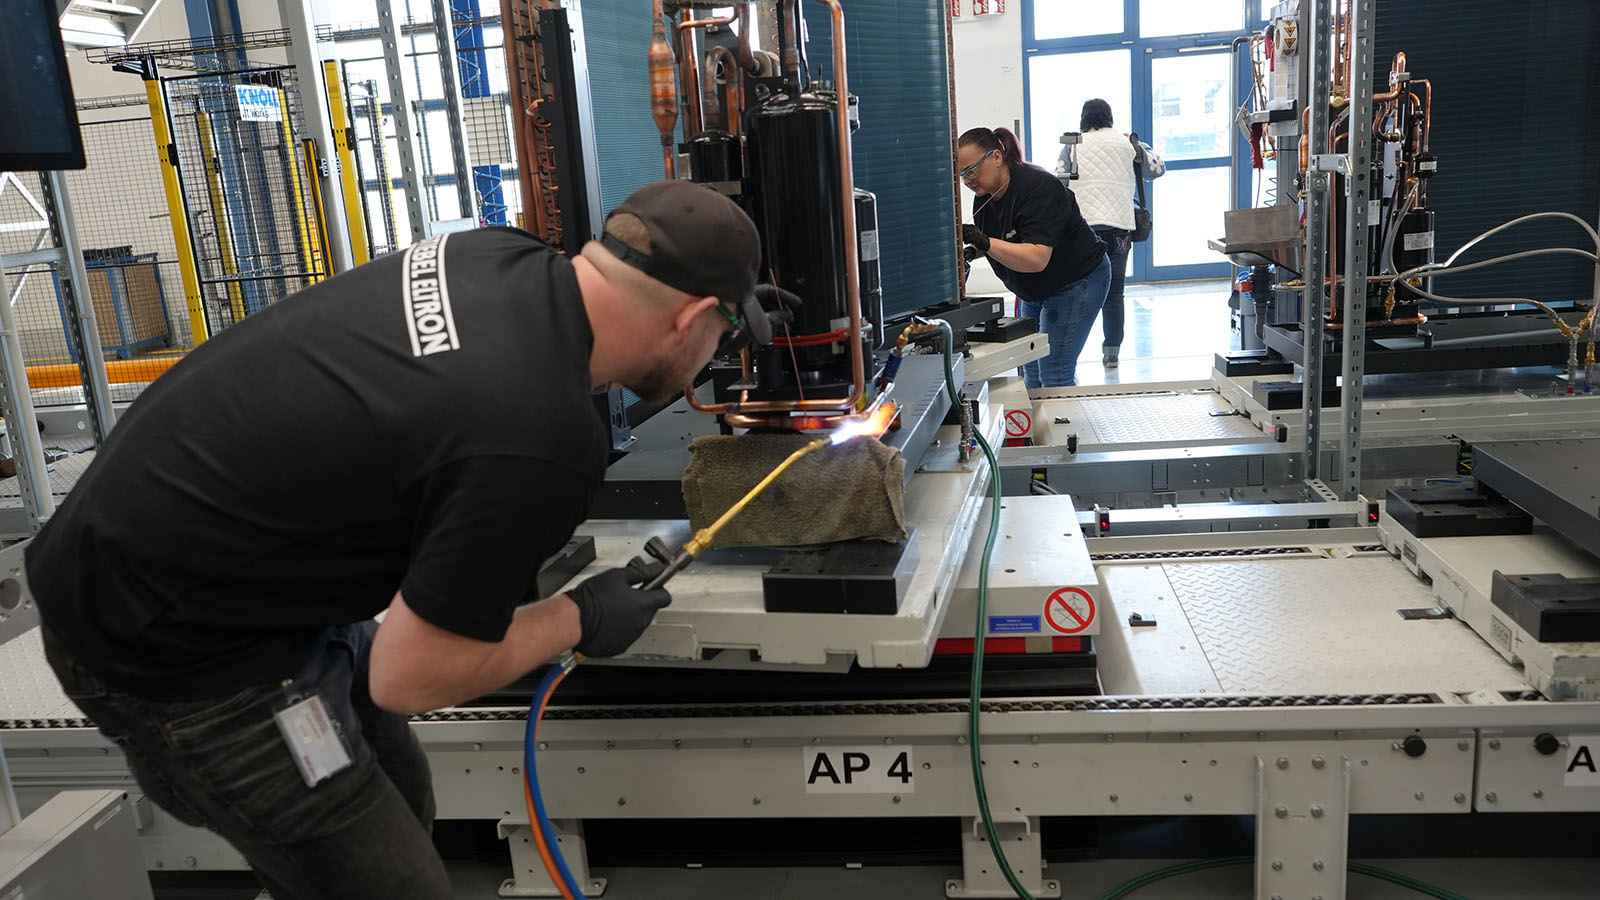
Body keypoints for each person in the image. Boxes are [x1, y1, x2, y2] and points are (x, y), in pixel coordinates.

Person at [25, 180, 766, 900]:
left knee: (402, 794)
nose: (717, 352)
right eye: (726, 332)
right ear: (691, 315)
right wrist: (581, 616)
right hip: (170, 643)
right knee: (393, 882)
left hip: (213, 565)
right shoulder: (536, 437)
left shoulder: (495, 254)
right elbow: (411, 678)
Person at [960, 126, 1111, 388]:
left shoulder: (1039, 188)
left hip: (1076, 280)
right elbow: (1000, 241)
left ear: (996, 157)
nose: (967, 181)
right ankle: (1038, 417)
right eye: (962, 174)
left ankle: (1064, 415)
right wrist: (974, 250)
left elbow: (1036, 258)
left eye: (971, 171)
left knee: (1055, 371)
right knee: (1029, 367)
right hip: (1034, 289)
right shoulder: (985, 198)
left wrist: (986, 242)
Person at [1064, 98, 1165, 368]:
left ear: (1084, 119)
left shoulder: (1073, 145)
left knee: (1076, 290)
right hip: (1118, 228)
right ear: (1109, 118)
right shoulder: (1125, 144)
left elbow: (1058, 183)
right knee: (1114, 291)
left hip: (1083, 229)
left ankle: (1071, 350)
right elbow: (1157, 169)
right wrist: (1139, 145)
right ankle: (1111, 353)